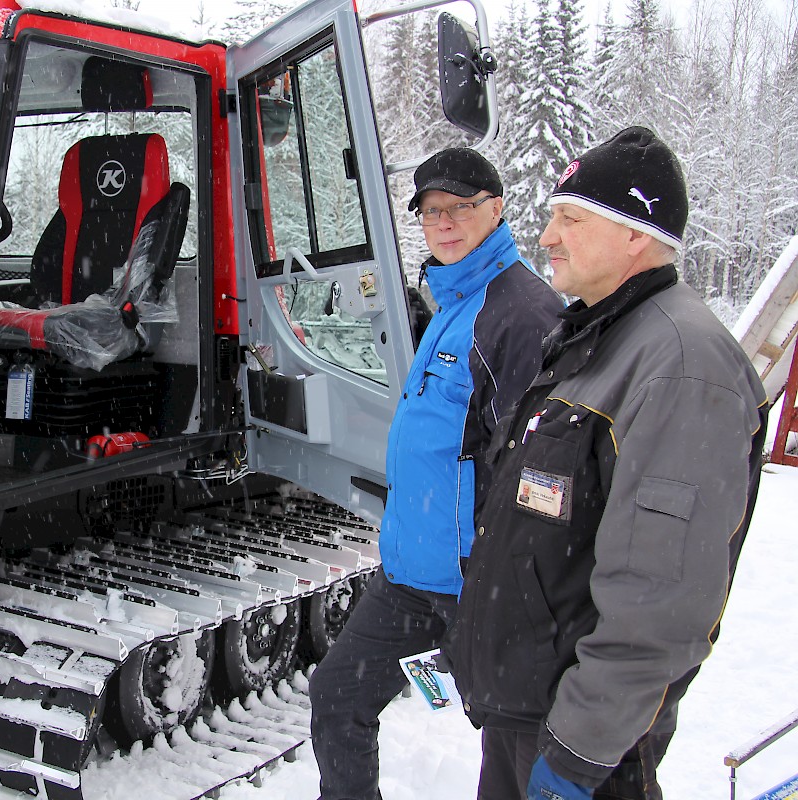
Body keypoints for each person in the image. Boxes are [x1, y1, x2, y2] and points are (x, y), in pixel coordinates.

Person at [443, 127, 769, 800]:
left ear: (635, 236)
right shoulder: (597, 335)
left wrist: (578, 754)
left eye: (571, 218)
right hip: (534, 711)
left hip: (584, 743)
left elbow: (662, 596)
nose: (547, 237)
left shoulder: (682, 364)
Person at [308, 148, 563, 800]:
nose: (443, 223)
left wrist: (494, 583)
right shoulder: (452, 298)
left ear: (497, 209)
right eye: (430, 212)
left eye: (460, 207)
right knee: (338, 693)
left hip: (479, 586)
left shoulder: (520, 313)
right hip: (412, 578)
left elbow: (530, 470)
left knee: (512, 747)